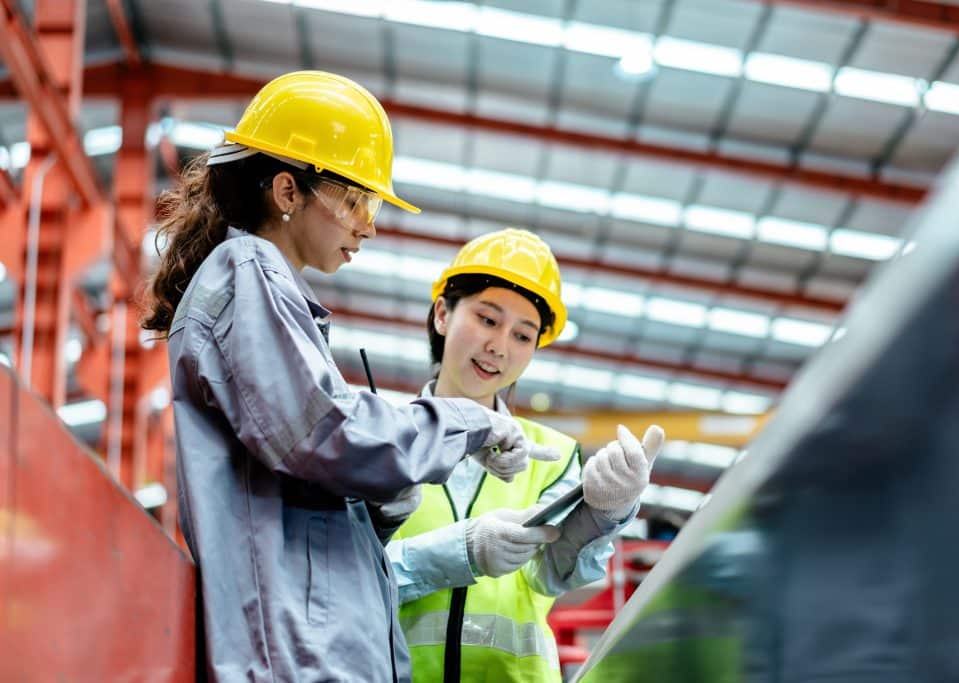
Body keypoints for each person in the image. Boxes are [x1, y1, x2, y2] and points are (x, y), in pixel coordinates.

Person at [141, 71, 560, 682]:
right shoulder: (246, 271)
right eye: (355, 199)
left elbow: (297, 472)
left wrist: (375, 509)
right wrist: (470, 422)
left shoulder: (269, 292)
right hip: (295, 658)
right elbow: (325, 433)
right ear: (288, 191)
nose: (368, 224)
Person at [386, 228, 665, 682]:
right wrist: (462, 551)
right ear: (442, 314)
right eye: (488, 319)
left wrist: (609, 510)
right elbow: (347, 574)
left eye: (523, 335)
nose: (499, 347)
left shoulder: (552, 454)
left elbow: (553, 572)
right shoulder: (378, 437)